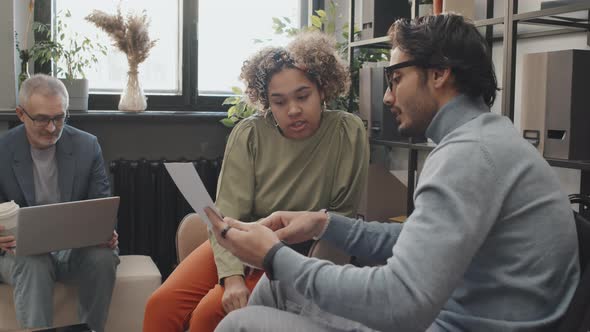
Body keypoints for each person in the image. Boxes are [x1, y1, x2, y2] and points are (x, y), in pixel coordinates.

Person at [207, 13, 580, 332]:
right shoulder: (487, 138)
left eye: (396, 78)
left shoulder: (468, 156)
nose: (387, 97)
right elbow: (420, 242)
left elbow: (400, 301)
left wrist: (275, 256)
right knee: (277, 291)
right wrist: (324, 224)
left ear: (438, 74)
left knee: (241, 324)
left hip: (449, 323)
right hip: (448, 315)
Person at [143, 31, 369, 332]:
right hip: (236, 238)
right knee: (160, 305)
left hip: (295, 252)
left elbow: (341, 217)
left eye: (303, 96)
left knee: (208, 315)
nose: (293, 110)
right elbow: (225, 216)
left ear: (323, 90)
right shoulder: (249, 134)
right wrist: (233, 276)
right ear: (267, 103)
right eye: (279, 102)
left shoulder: (347, 133)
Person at [0, 74, 120, 332]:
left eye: (59, 117)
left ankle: (92, 329)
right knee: (34, 262)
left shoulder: (87, 146)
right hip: (20, 255)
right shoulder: (2, 150)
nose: (52, 127)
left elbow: (102, 204)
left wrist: (105, 232)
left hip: (74, 249)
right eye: (42, 118)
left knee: (103, 258)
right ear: (21, 114)